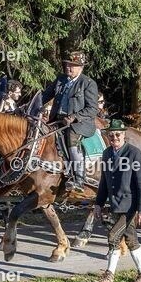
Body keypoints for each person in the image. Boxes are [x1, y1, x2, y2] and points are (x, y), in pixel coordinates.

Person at [92, 119, 141, 282]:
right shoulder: (107, 154)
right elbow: (104, 182)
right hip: (116, 204)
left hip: (130, 205)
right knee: (131, 239)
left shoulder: (134, 154)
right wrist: (98, 204)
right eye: (111, 135)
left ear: (124, 135)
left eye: (118, 134)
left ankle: (108, 277)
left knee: (114, 236)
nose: (114, 137)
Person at [40, 51, 99, 192]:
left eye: (73, 65)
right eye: (67, 64)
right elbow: (45, 96)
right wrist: (30, 106)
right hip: (58, 120)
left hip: (79, 124)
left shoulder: (88, 83)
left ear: (81, 67)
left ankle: (79, 178)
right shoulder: (61, 79)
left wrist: (74, 117)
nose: (68, 68)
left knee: (72, 136)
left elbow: (92, 109)